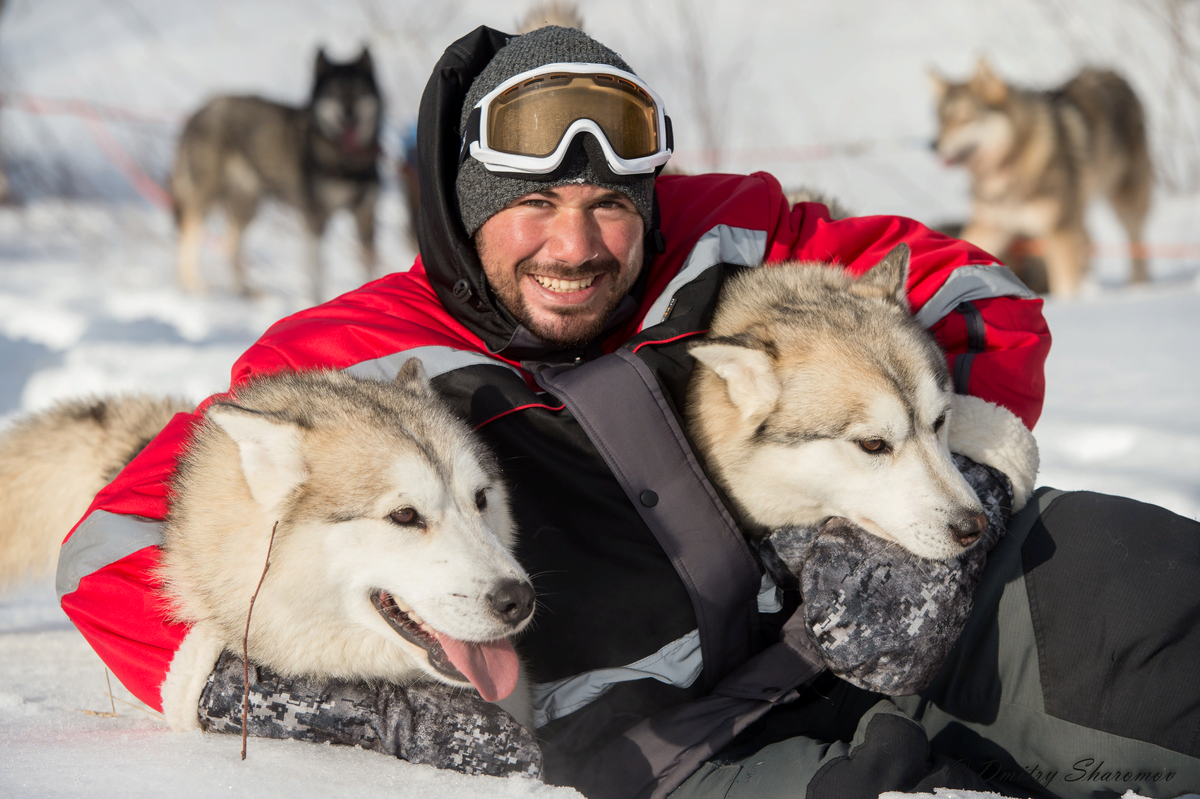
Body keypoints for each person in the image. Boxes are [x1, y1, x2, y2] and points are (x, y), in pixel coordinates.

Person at [57, 24, 1200, 799]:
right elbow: (108, 551)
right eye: (533, 204)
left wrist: (971, 497)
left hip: (907, 621)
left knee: (1141, 586)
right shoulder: (346, 357)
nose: (577, 243)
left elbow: (972, 293)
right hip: (664, 753)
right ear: (462, 205)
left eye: (610, 202)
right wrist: (359, 713)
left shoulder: (728, 230)